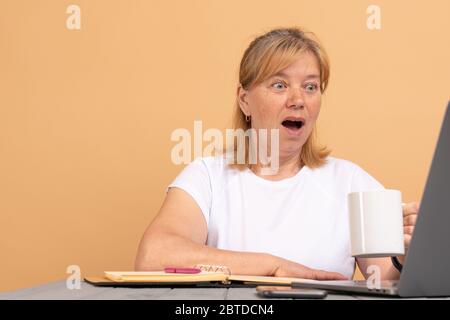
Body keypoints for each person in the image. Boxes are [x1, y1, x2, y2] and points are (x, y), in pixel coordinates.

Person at [135, 27, 419, 280]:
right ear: (245, 100)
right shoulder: (207, 176)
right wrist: (272, 267)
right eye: (280, 85)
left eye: (310, 87)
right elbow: (153, 258)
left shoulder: (350, 182)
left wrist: (407, 256)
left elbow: (384, 278)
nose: (298, 100)